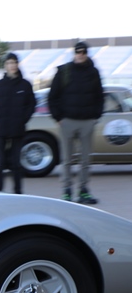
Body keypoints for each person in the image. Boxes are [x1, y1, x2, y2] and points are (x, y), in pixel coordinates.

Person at [48, 41, 104, 204]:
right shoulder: (64, 71)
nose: (80, 55)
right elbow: (52, 97)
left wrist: (95, 117)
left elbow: (100, 96)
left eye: (83, 52)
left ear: (87, 54)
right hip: (67, 121)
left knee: (85, 160)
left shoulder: (93, 72)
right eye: (78, 52)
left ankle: (83, 191)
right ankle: (67, 191)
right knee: (67, 159)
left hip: (87, 122)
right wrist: (59, 118)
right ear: (74, 54)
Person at [0, 52, 36, 194]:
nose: (12, 65)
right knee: (0, 163)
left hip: (18, 129)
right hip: (1, 129)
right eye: (9, 63)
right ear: (5, 66)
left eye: (14, 62)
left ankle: (18, 192)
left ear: (17, 64)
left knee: (16, 163)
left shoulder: (25, 85)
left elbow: (31, 105)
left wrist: (23, 119)